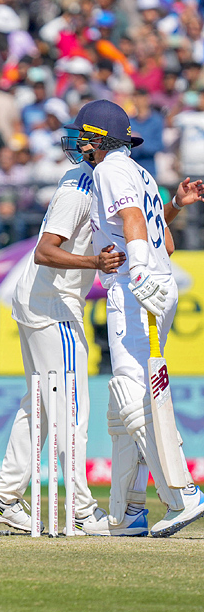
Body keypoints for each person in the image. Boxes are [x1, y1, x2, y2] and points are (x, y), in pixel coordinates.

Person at [0, 124, 123, 534]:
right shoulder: (77, 188)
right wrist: (95, 265)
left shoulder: (102, 182)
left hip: (44, 303)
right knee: (72, 407)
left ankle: (4, 497)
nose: (79, 145)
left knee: (38, 407)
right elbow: (45, 251)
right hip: (52, 305)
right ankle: (79, 508)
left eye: (89, 138)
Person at [74, 100, 204, 537]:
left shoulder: (110, 169)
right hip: (152, 281)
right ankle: (129, 513)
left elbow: (131, 220)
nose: (81, 145)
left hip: (135, 288)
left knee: (134, 397)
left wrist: (139, 270)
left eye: (86, 137)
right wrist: (175, 208)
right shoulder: (141, 173)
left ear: (101, 138)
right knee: (123, 406)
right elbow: (162, 241)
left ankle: (183, 493)